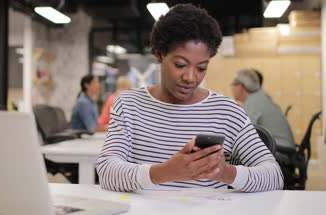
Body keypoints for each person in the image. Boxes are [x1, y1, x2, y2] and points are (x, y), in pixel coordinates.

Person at [96, 4, 283, 192]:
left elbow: (274, 176)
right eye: (180, 65)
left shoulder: (227, 111)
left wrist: (224, 172)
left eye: (201, 68)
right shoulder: (129, 104)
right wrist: (165, 172)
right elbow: (106, 172)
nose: (190, 78)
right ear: (159, 55)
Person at [231, 68, 297, 154]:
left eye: (232, 84)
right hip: (282, 149)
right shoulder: (259, 97)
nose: (231, 88)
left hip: (280, 153)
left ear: (240, 87)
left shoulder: (253, 102)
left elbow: (242, 132)